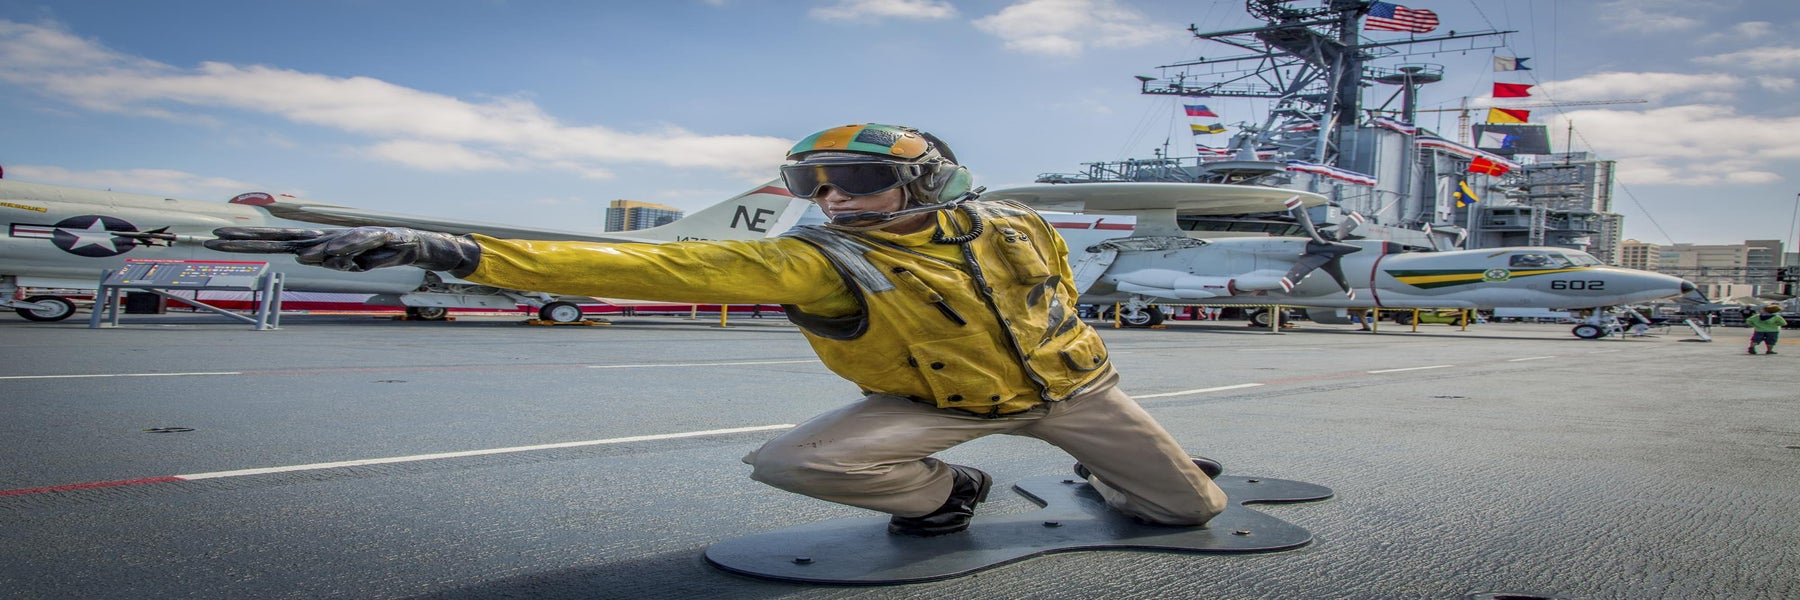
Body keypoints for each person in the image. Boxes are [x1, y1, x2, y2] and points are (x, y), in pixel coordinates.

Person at [206, 123, 1228, 537]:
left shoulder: (1020, 222)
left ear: (924, 179)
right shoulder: (815, 257)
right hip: (931, 407)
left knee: (1185, 513)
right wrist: (446, 248)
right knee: (795, 463)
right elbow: (640, 262)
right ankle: (949, 491)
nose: (831, 195)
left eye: (857, 179)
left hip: (1078, 396)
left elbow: (1049, 291)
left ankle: (1127, 472)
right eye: (813, 182)